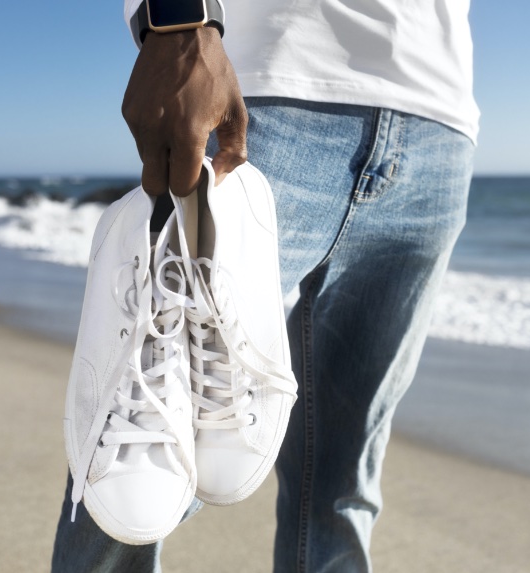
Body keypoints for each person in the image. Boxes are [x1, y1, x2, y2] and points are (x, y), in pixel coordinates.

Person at [52, 0, 479, 571]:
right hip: (269, 94)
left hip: (439, 129)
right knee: (133, 457)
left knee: (344, 479)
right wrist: (177, 21)